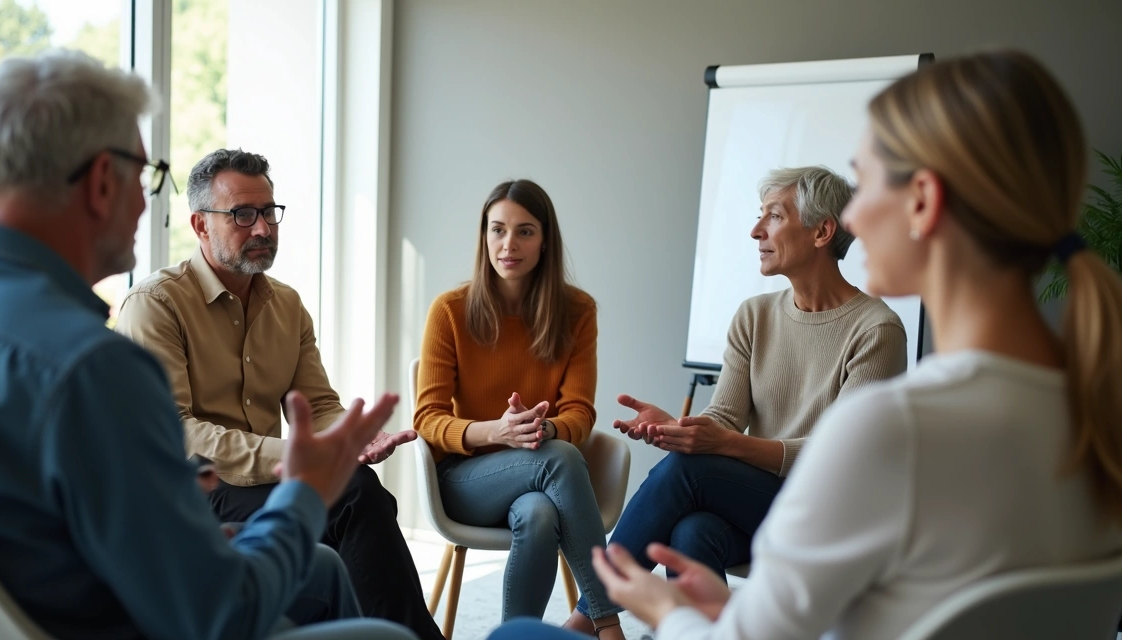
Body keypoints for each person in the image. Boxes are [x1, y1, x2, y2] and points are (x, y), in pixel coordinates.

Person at [497, 49, 1122, 640]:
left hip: (778, 525)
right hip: (772, 545)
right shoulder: (1097, 413)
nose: (856, 217)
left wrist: (665, 610)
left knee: (515, 635)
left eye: (865, 180)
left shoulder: (889, 423)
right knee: (695, 527)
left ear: (923, 202)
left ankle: (589, 616)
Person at [0, 49, 413, 640]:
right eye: (149, 177)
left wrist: (179, 538)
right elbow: (221, 614)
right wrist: (303, 496)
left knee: (325, 570)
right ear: (101, 182)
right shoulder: (92, 368)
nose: (149, 203)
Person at [114, 148, 442, 640]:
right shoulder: (155, 305)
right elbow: (175, 432)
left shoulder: (286, 304)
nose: (263, 229)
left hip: (264, 483)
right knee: (354, 498)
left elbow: (320, 406)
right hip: (191, 494)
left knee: (357, 493)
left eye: (268, 212)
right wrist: (295, 456)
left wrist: (346, 441)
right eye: (243, 215)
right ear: (201, 225)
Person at [563, 165, 908, 630]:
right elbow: (724, 417)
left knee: (691, 472)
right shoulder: (755, 315)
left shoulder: (876, 330)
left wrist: (722, 446)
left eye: (774, 217)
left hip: (830, 513)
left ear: (823, 231)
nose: (755, 231)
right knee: (694, 529)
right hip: (762, 506)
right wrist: (682, 429)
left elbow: (840, 461)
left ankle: (589, 620)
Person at [414, 179, 626, 638]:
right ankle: (607, 624)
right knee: (561, 459)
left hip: (542, 479)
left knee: (539, 514)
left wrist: (541, 430)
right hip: (466, 480)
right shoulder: (449, 311)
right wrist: (497, 432)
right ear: (484, 236)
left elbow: (580, 413)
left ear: (545, 239)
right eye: (497, 230)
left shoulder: (577, 311)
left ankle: (516, 635)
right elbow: (427, 420)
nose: (509, 244)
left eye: (525, 231)